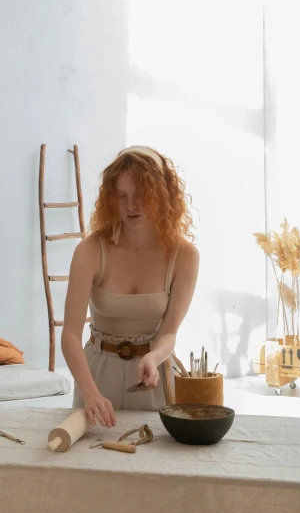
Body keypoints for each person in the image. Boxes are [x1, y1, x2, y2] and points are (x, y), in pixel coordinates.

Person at [61, 145, 198, 427]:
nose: (130, 206)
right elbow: (71, 336)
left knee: (153, 460)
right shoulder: (90, 250)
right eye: (121, 196)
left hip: (151, 375)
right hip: (96, 375)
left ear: (162, 197)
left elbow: (169, 332)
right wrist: (90, 392)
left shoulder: (184, 256)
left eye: (141, 197)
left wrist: (154, 357)